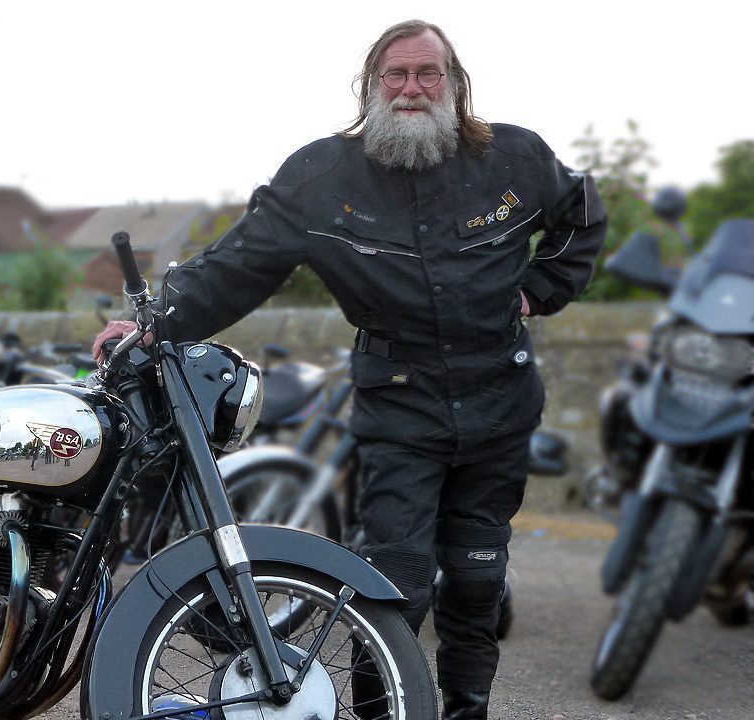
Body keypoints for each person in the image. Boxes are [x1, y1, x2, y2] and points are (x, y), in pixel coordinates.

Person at [93, 19, 606, 720]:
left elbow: (583, 214)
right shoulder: (320, 176)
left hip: (500, 403)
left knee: (478, 583)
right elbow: (237, 266)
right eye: (394, 75)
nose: (411, 89)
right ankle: (379, 713)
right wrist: (155, 324)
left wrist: (543, 288)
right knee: (393, 587)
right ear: (369, 87)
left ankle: (467, 711)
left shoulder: (514, 158)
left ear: (456, 86)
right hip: (400, 408)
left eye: (429, 74)